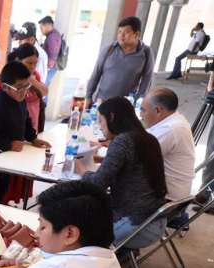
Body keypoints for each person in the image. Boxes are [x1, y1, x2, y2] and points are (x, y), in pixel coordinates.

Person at [76, 97, 167, 248]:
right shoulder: (148, 138)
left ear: (111, 117)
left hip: (133, 225)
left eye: (101, 120)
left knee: (74, 224)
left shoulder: (122, 141)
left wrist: (81, 169)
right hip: (154, 220)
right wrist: (102, 160)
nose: (100, 127)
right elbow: (131, 167)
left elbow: (97, 184)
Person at [0, 44, 48, 206]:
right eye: (20, 88)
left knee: (2, 190)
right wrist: (9, 144)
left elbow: (25, 120)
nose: (25, 91)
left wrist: (32, 138)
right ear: (5, 87)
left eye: (27, 87)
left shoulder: (19, 99)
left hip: (7, 156)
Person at [140, 88, 195, 202]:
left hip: (167, 198)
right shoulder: (174, 119)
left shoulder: (171, 129)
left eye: (143, 110)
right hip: (170, 192)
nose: (141, 115)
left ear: (158, 111)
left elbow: (136, 158)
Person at [86, 16, 154, 107]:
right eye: (119, 32)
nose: (121, 36)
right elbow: (96, 74)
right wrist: (88, 96)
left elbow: (147, 80)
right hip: (101, 102)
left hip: (125, 106)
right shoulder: (109, 49)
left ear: (136, 34)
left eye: (126, 32)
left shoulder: (146, 53)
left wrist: (139, 103)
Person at [39, 15, 62, 85]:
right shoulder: (52, 35)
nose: (40, 30)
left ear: (48, 25)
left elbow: (52, 56)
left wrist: (46, 69)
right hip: (51, 67)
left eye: (41, 27)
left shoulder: (52, 37)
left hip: (50, 68)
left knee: (43, 87)